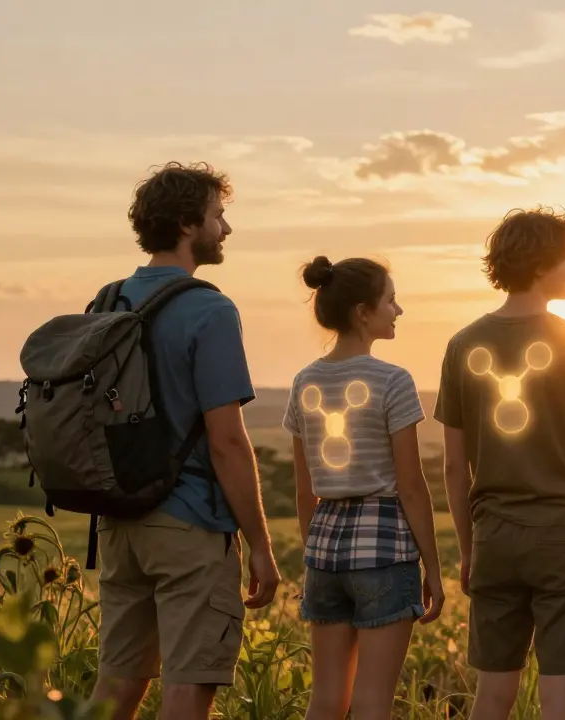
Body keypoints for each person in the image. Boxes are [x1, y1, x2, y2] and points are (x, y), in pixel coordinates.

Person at [89, 162, 281, 720]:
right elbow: (227, 442)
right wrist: (260, 545)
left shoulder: (107, 300)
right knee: (188, 687)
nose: (226, 228)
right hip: (190, 523)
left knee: (115, 688)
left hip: (120, 522)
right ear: (185, 224)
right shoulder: (209, 309)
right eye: (218, 216)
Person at [434, 207, 565, 720]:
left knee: (493, 692)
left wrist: (470, 550)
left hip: (494, 537)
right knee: (559, 696)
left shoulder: (462, 344)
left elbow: (454, 468)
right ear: (541, 264)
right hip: (564, 540)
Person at [283, 256, 446, 720]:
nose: (399, 310)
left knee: (326, 699)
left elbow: (304, 491)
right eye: (391, 301)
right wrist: (433, 569)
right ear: (362, 312)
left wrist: (313, 556)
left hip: (324, 550)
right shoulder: (393, 380)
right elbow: (411, 486)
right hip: (384, 548)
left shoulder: (304, 381)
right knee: (373, 703)